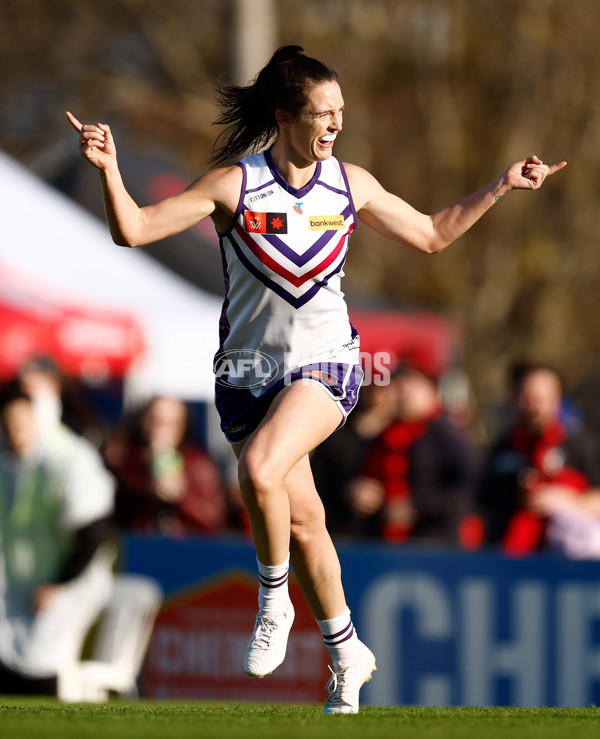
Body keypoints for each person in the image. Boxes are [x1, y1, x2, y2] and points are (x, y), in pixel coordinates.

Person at [66, 45, 565, 713]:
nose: (334, 124)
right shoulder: (233, 185)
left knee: (263, 471)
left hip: (328, 365)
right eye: (322, 113)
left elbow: (431, 233)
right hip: (248, 378)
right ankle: (346, 649)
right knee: (304, 523)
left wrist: (501, 185)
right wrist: (110, 169)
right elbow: (134, 229)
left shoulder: (350, 182)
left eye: (340, 112)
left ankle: (272, 604)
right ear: (285, 116)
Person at [0, 381, 115, 696]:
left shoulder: (71, 458)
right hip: (20, 585)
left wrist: (59, 584)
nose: (15, 433)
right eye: (8, 425)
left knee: (40, 664)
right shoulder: (7, 460)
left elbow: (94, 533)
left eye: (20, 423)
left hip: (69, 584)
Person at [347, 363, 482, 544]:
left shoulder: (448, 434)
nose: (402, 395)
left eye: (411, 386)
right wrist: (356, 491)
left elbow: (470, 488)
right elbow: (356, 474)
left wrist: (416, 506)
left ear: (431, 389)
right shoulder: (383, 435)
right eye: (398, 387)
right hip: (383, 543)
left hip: (435, 545)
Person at [479, 363, 600, 556]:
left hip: (562, 561)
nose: (533, 405)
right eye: (527, 397)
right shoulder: (505, 445)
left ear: (557, 399)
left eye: (540, 398)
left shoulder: (579, 444)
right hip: (508, 556)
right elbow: (483, 502)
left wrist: (568, 501)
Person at [104, 395, 231, 536]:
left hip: (187, 549)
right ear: (144, 422)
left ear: (182, 427)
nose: (162, 430)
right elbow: (112, 511)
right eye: (157, 422)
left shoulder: (199, 464)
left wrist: (183, 496)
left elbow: (216, 520)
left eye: (171, 424)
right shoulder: (128, 460)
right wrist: (146, 487)